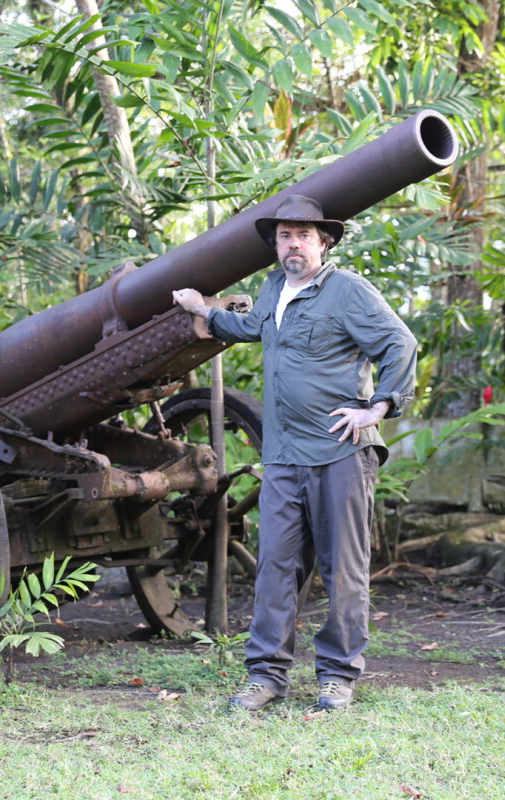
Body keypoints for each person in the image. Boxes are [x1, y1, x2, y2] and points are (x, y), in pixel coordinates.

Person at [172, 194, 417, 712]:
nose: (293, 244)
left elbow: (399, 343)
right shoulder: (272, 289)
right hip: (283, 455)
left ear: (323, 243)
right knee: (275, 569)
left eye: (304, 235)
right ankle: (265, 676)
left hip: (339, 453)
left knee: (343, 570)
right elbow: (251, 327)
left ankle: (338, 676)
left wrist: (377, 408)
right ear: (276, 245)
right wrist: (202, 311)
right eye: (285, 236)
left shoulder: (347, 291)